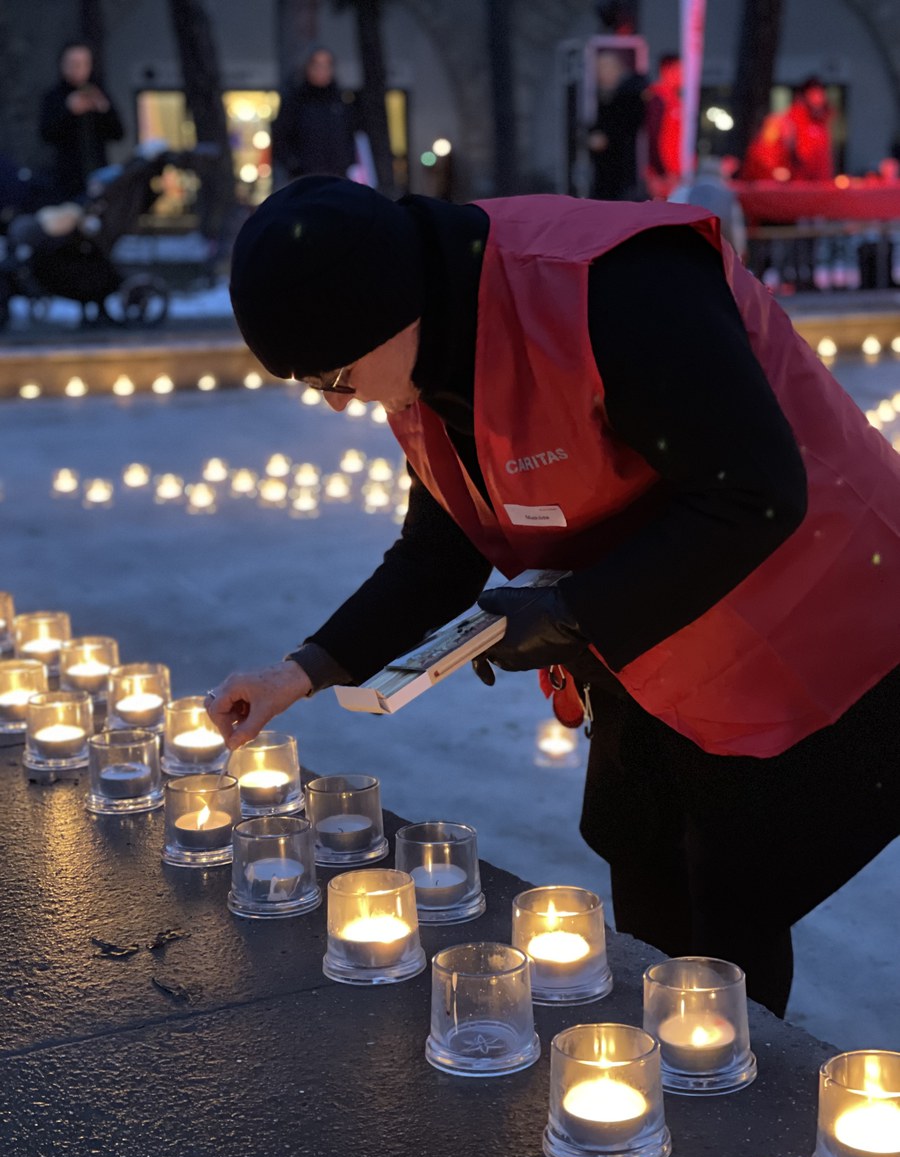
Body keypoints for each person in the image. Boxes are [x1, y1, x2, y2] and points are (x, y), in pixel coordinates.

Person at [211, 176, 900, 1019]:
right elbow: (444, 545)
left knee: (731, 895)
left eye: (336, 375)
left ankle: (724, 1080)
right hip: (655, 629)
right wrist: (303, 671)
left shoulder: (613, 290)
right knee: (640, 844)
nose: (333, 400)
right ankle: (668, 1053)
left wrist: (572, 613)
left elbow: (754, 495)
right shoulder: (418, 351)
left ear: (390, 309)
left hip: (818, 610)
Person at [39, 41, 124, 201]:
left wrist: (103, 109)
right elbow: (46, 134)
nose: (79, 69)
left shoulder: (98, 92)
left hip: (98, 174)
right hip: (66, 180)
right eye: (74, 63)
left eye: (84, 63)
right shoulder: (54, 97)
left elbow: (118, 134)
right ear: (63, 65)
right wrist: (68, 111)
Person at [271, 46, 357, 185]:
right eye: (317, 65)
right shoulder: (295, 101)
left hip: (337, 178)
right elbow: (280, 138)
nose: (321, 71)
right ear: (308, 68)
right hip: (304, 179)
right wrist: (294, 165)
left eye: (326, 66)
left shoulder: (341, 102)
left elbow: (351, 135)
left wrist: (348, 162)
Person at [586, 50, 646, 201]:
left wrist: (605, 137)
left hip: (621, 171)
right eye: (599, 69)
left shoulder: (628, 96)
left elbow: (627, 125)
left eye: (606, 67)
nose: (602, 73)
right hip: (606, 172)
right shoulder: (602, 97)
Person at [645, 53, 682, 199]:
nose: (683, 75)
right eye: (680, 70)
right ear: (667, 70)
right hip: (664, 173)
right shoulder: (657, 99)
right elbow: (653, 135)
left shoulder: (674, 100)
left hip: (675, 172)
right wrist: (660, 171)